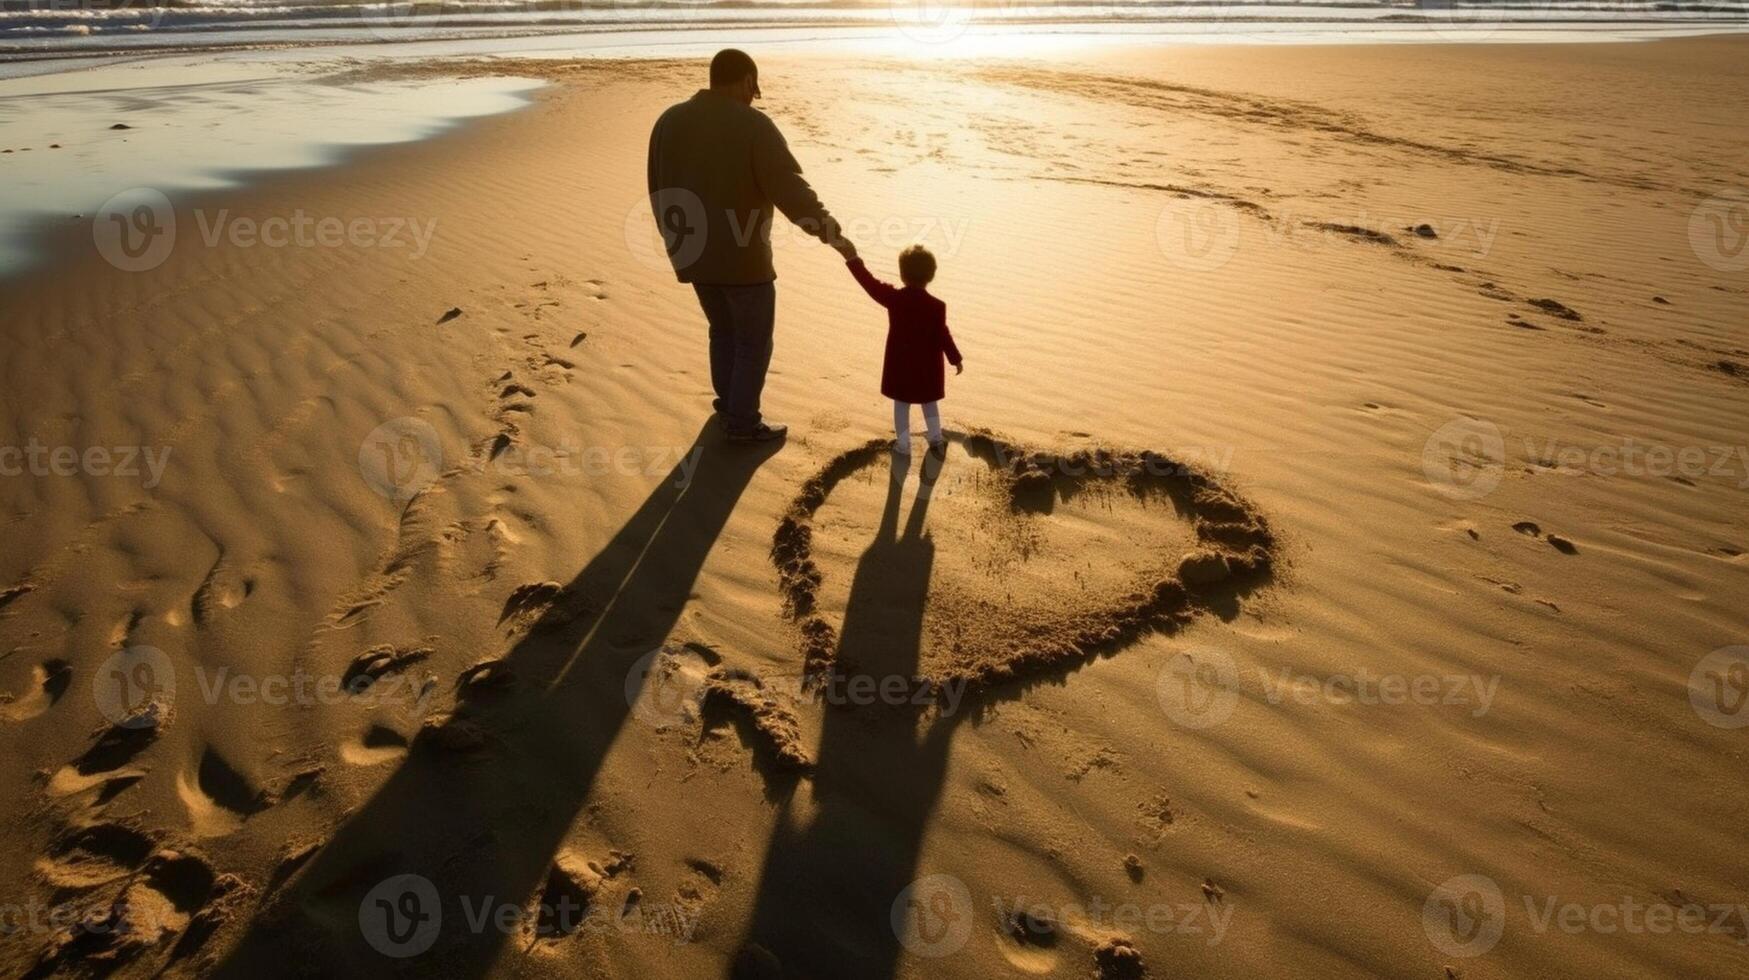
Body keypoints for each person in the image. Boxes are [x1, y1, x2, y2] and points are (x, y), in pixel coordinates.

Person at [646, 48, 858, 442]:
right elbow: (789, 188)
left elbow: (656, 187)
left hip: (691, 252)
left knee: (721, 330)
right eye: (753, 88)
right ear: (746, 80)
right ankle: (742, 422)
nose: (753, 96)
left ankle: (728, 406)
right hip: (742, 259)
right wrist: (831, 233)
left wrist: (674, 242)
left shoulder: (668, 121)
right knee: (752, 341)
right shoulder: (753, 125)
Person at [846, 244, 964, 456]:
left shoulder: (894, 299)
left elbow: (869, 283)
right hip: (927, 367)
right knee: (929, 403)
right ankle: (936, 439)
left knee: (901, 404)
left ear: (902, 274)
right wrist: (955, 358)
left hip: (900, 364)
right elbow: (942, 334)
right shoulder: (937, 306)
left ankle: (903, 445)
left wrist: (853, 260)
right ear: (932, 274)